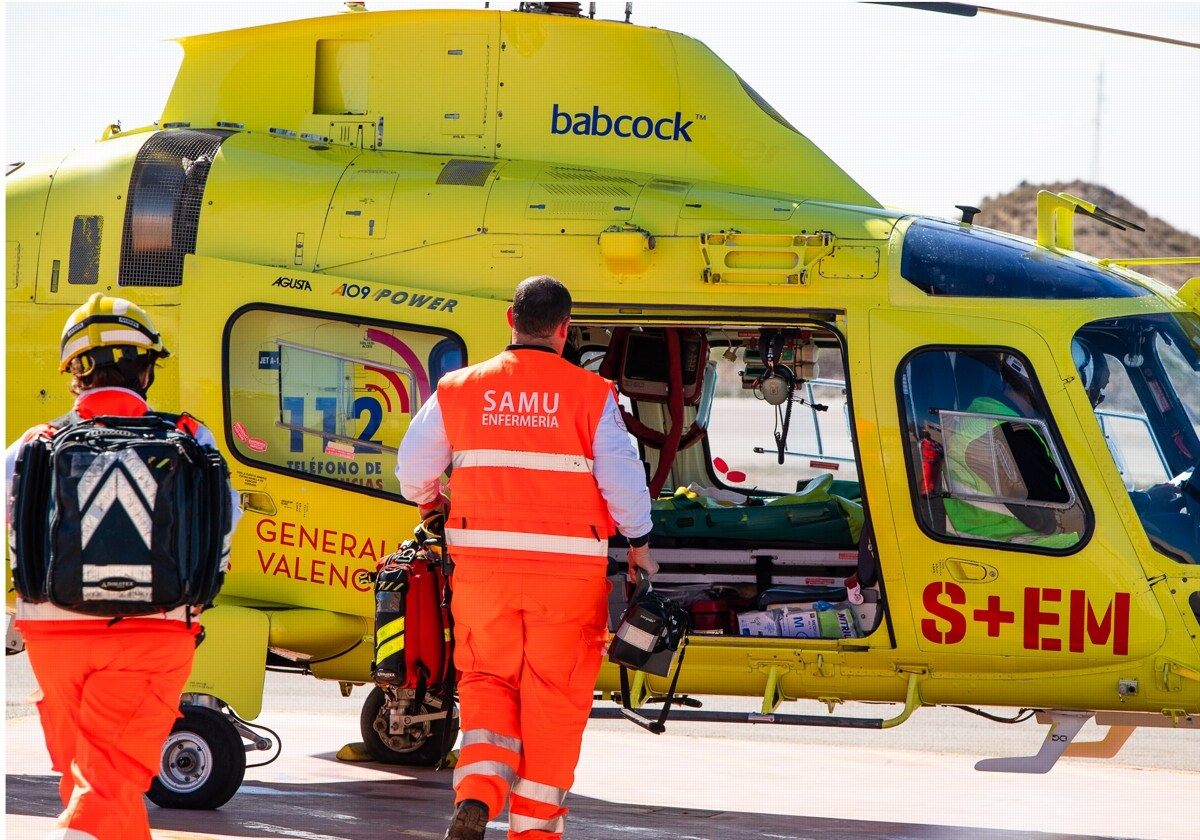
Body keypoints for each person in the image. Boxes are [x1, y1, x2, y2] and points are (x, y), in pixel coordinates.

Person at [396, 275, 657, 840]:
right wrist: (638, 545)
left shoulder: (460, 388)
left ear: (510, 321)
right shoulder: (592, 395)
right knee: (554, 702)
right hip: (565, 586)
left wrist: (430, 502)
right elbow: (624, 483)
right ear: (564, 331)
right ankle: (533, 831)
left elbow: (412, 468)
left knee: (488, 682)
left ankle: (477, 793)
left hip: (482, 578)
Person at [5, 293, 240, 840]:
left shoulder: (32, 445)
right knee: (105, 788)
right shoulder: (190, 438)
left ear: (74, 372)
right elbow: (225, 520)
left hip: (53, 637)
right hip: (154, 634)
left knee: (89, 782)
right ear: (146, 368)